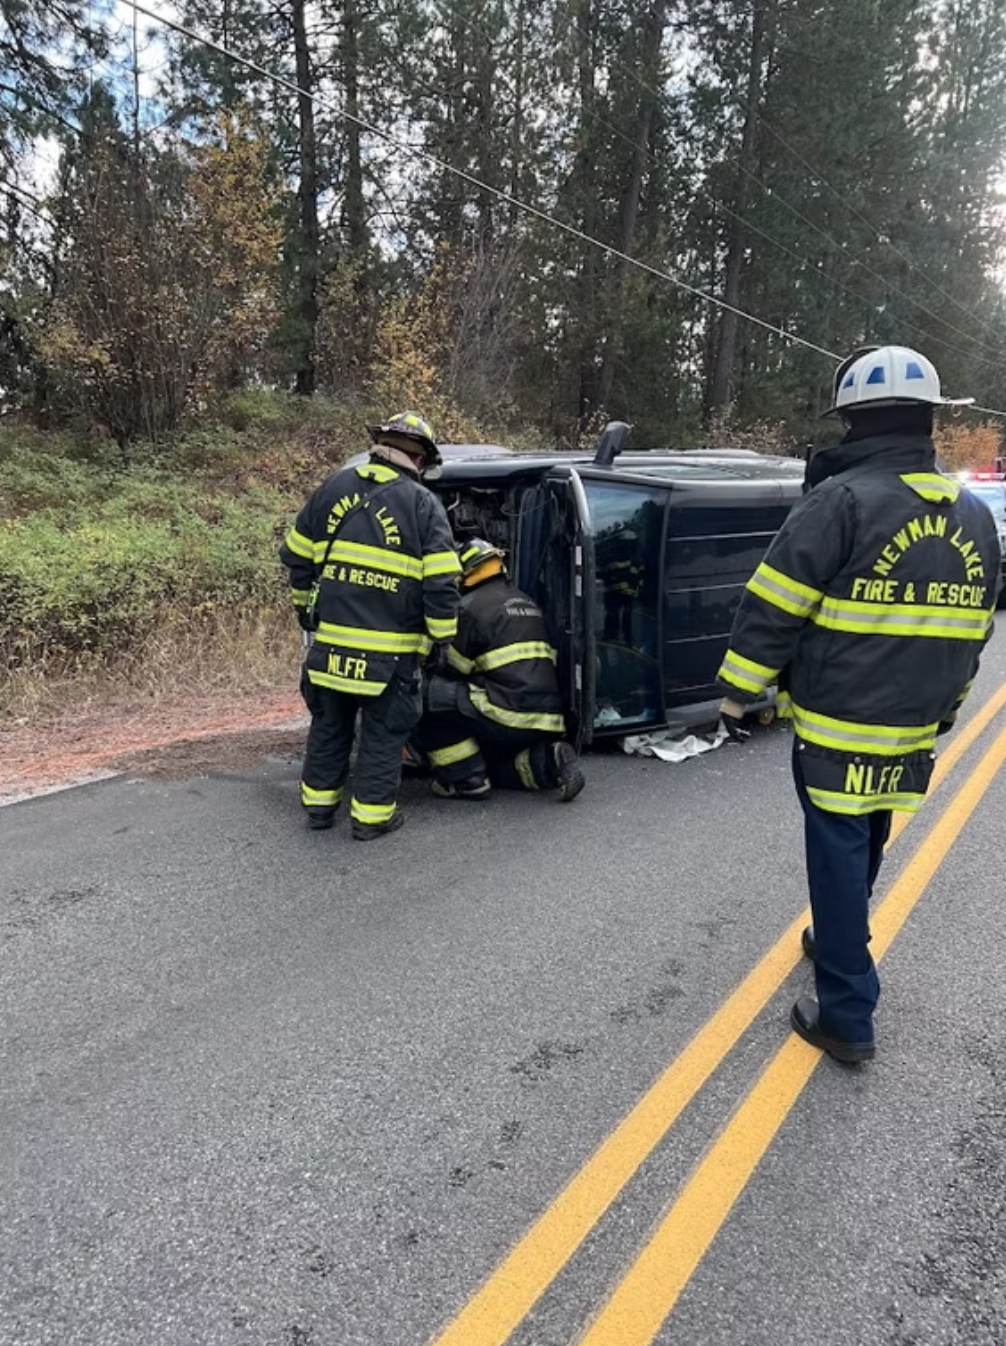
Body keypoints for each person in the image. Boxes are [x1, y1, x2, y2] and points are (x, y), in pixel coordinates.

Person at [716, 346, 1001, 1063]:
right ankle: (836, 934)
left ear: (851, 422)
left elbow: (774, 606)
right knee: (867, 831)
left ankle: (846, 1013)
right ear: (930, 420)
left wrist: (737, 695)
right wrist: (949, 709)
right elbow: (974, 632)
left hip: (839, 720)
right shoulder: (972, 515)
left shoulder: (839, 503)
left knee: (836, 847)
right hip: (914, 722)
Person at [279, 412, 461, 840]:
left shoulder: (333, 488)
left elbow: (297, 559)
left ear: (380, 444)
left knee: (329, 726)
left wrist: (306, 612)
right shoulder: (422, 505)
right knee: (382, 733)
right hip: (388, 657)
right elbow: (441, 584)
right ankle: (372, 819)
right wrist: (441, 639)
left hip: (330, 648)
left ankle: (319, 811)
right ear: (420, 459)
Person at [412, 538, 586, 802]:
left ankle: (466, 780)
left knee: (423, 695)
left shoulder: (469, 607)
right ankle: (550, 761)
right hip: (546, 717)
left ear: (464, 572)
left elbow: (450, 670)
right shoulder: (525, 601)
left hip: (507, 710)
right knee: (496, 763)